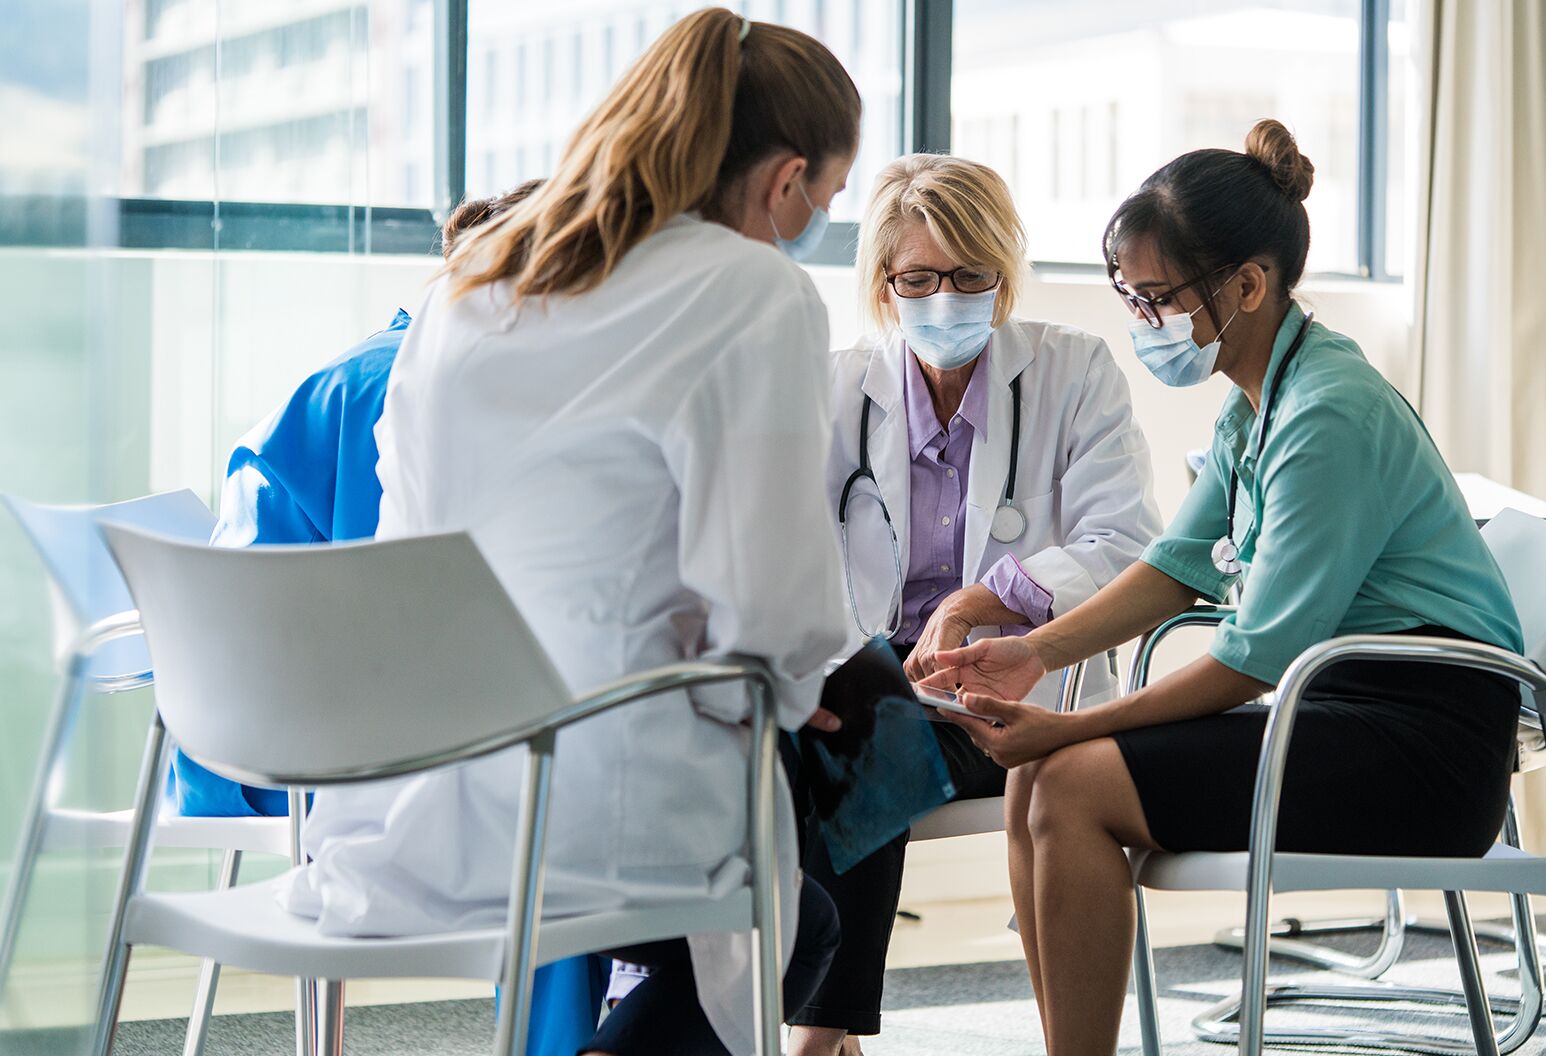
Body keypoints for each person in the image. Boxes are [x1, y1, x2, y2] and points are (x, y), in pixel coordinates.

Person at [277, 10, 862, 1056]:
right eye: (823, 199)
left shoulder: (475, 279)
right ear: (785, 182)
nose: (812, 219)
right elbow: (775, 606)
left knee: (752, 903)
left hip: (410, 776)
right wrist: (785, 687)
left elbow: (407, 535)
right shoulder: (752, 289)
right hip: (598, 781)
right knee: (803, 912)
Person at [914, 120, 1525, 1056]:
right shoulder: (1260, 405)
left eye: (1157, 297)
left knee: (1067, 776)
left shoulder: (1327, 413)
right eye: (1132, 296)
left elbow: (1260, 653)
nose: (1142, 319)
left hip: (1424, 747)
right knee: (1038, 772)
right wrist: (1034, 651)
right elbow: (1174, 569)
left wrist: (1074, 724)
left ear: (1248, 285)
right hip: (1335, 712)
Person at [202, 181, 609, 1056]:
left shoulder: (325, 385)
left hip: (234, 746)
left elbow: (238, 596)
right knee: (571, 811)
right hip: (379, 765)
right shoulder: (490, 398)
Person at [788, 153, 1160, 1056]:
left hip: (1010, 704)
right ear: (883, 282)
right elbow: (788, 556)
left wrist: (980, 600)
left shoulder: (1074, 373)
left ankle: (818, 1038)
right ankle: (786, 1027)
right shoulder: (838, 388)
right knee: (824, 722)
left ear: (1006, 272)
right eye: (917, 278)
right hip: (874, 685)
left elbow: (1128, 544)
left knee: (864, 732)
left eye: (969, 276)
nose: (944, 298)